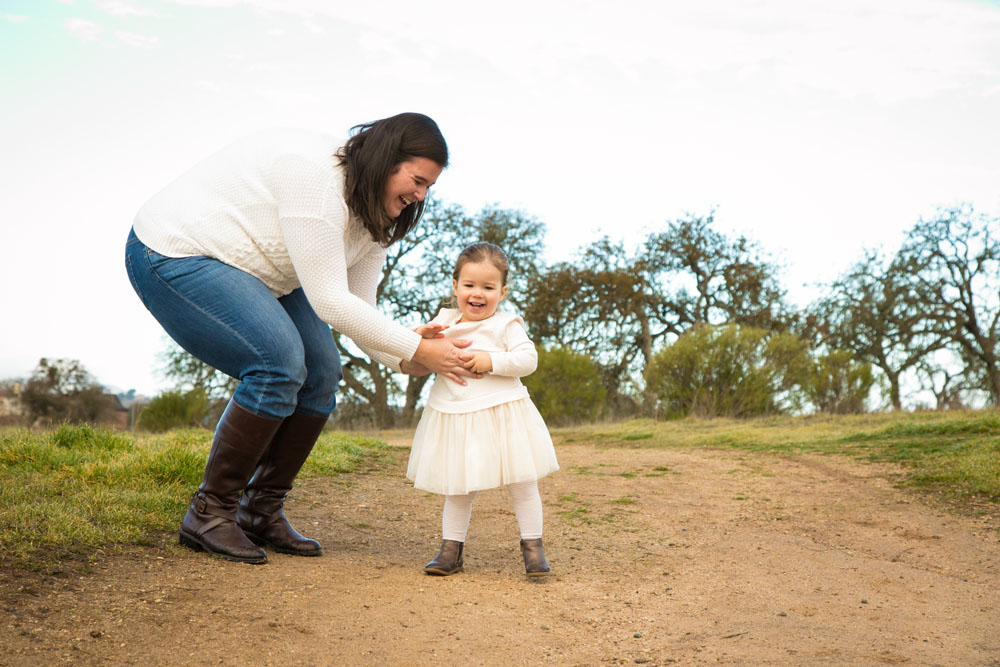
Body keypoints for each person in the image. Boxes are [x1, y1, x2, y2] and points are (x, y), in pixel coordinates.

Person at [125, 113, 477, 565]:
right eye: (417, 180)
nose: (421, 195)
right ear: (388, 160)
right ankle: (210, 513)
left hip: (263, 271)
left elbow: (359, 307)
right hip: (175, 249)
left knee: (322, 373)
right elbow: (330, 301)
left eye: (430, 186)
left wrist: (405, 359)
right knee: (279, 364)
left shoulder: (377, 215)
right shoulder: (317, 178)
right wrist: (419, 347)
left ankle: (260, 510)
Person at [406, 242, 559, 577]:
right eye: (469, 285)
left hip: (503, 414)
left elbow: (527, 359)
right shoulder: (442, 321)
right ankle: (450, 551)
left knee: (523, 483)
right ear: (455, 287)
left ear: (501, 291)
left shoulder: (506, 324)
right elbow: (410, 355)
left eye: (488, 287)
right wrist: (421, 336)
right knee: (458, 486)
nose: (478, 294)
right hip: (457, 415)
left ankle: (533, 550)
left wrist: (492, 361)